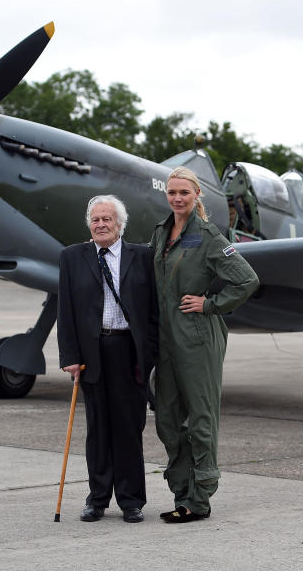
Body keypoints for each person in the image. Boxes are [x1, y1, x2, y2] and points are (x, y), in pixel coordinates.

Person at [150, 166, 260, 523]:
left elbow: (246, 280)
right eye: (172, 193)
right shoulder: (160, 234)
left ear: (196, 196)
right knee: (167, 418)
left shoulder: (209, 235)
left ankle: (199, 499)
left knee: (200, 419)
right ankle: (182, 492)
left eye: (184, 192)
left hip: (197, 337)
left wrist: (209, 304)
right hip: (167, 339)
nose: (177, 198)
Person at [58, 195, 158, 523]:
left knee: (129, 428)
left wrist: (151, 352)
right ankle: (97, 499)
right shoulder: (72, 258)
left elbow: (154, 311)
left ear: (120, 225)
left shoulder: (142, 257)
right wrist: (70, 356)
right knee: (97, 429)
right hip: (92, 352)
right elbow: (66, 311)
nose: (101, 224)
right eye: (96, 219)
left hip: (129, 350)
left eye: (107, 219)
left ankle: (131, 501)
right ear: (89, 224)